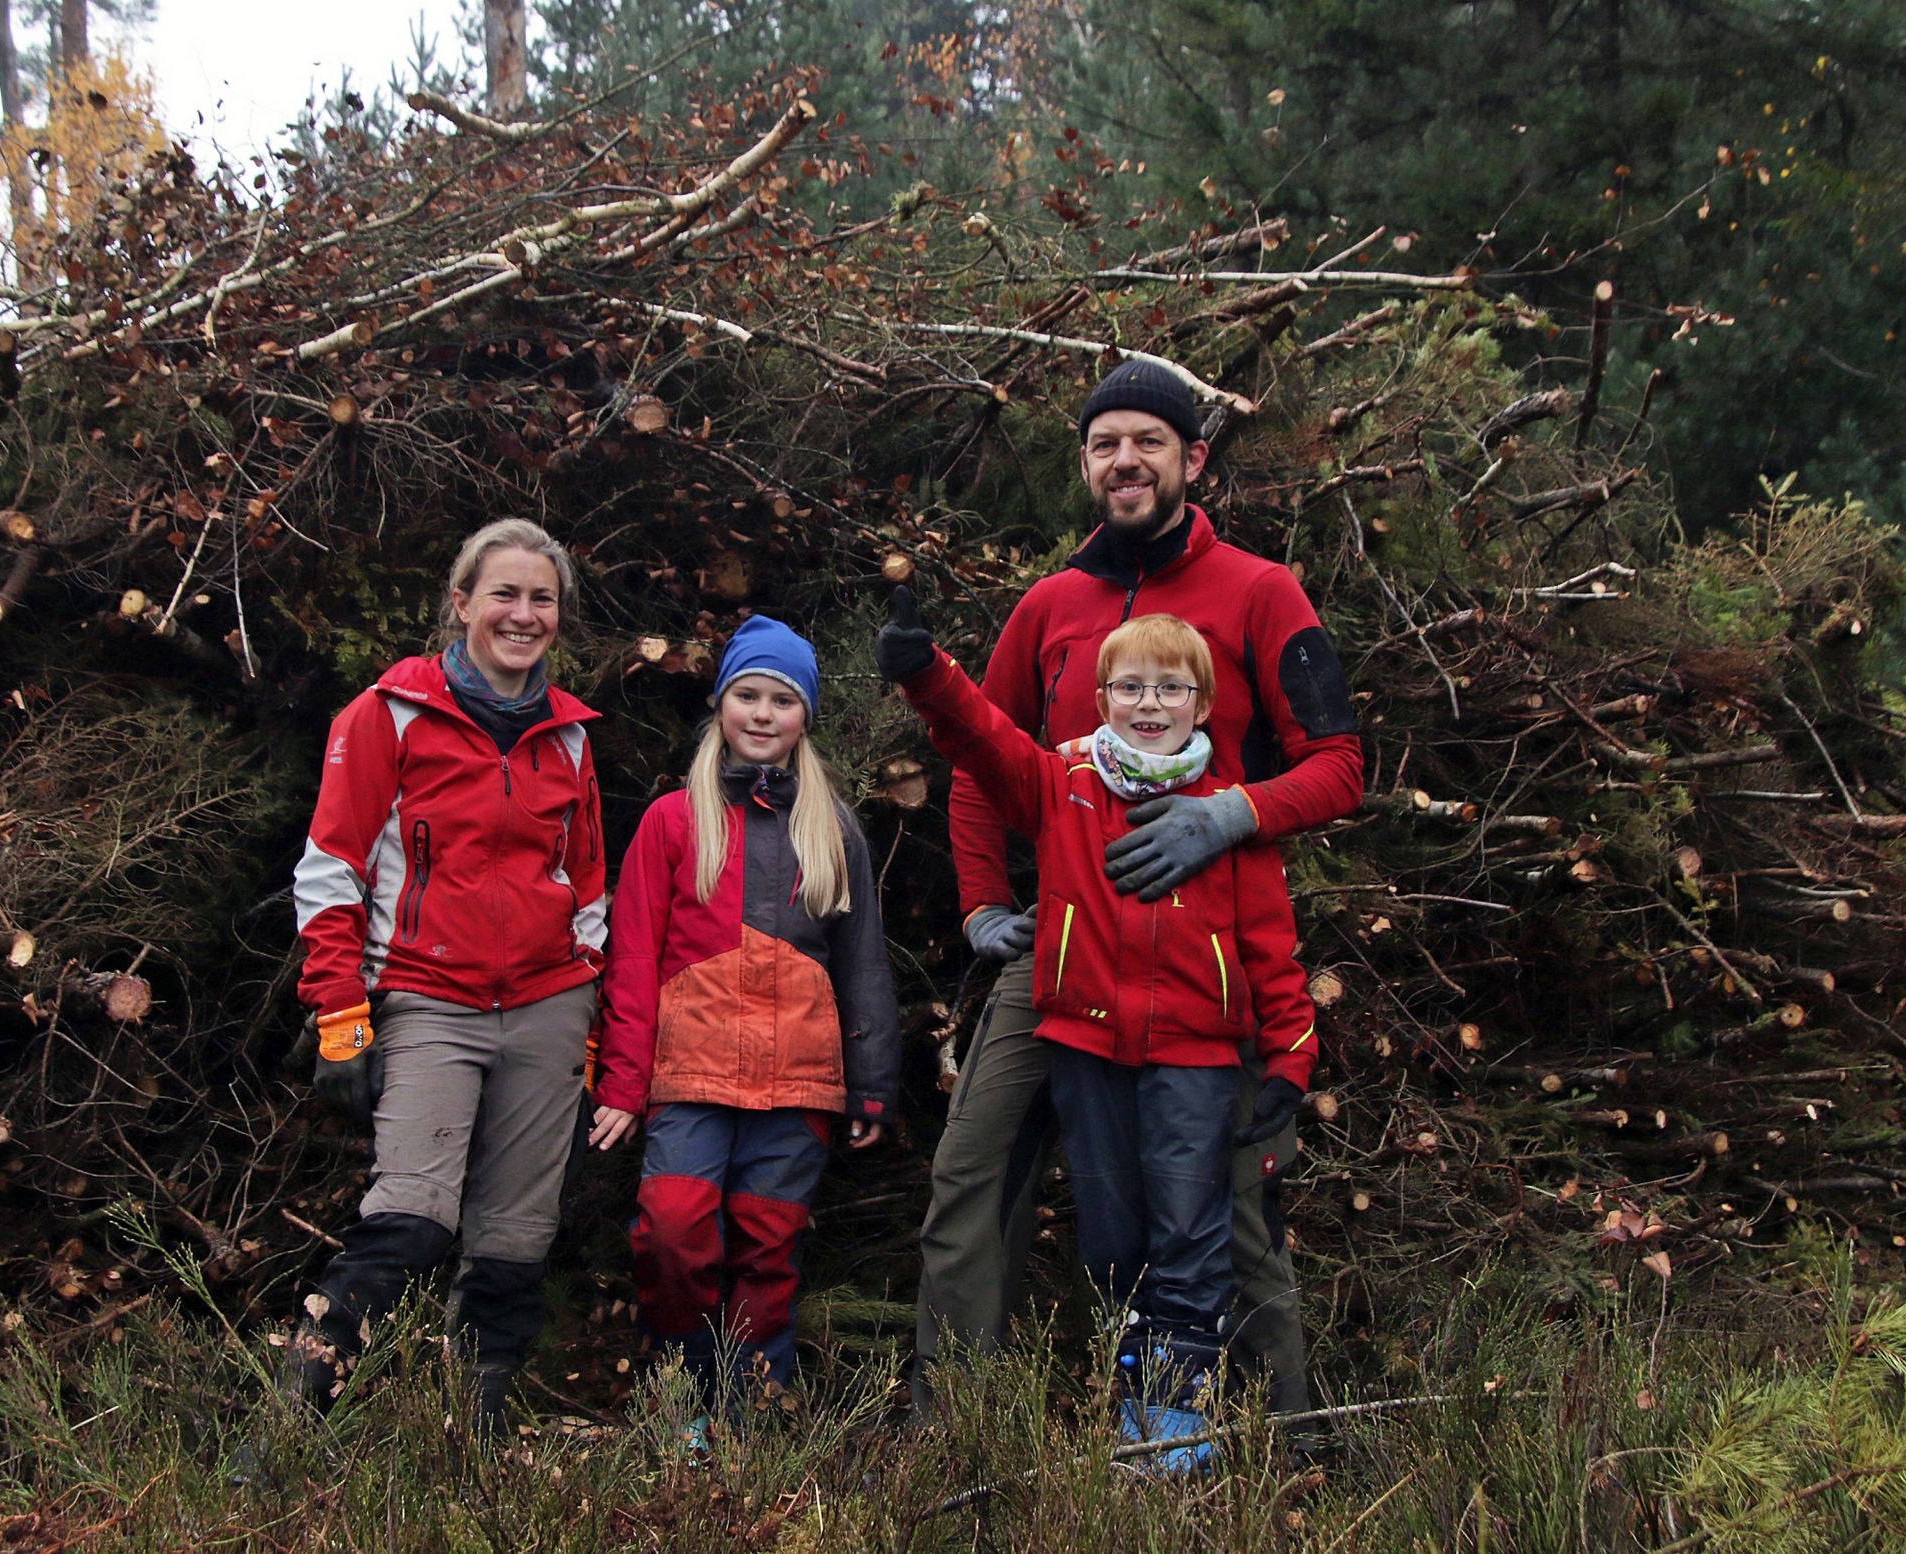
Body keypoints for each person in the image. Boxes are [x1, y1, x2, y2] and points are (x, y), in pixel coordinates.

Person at [912, 358, 1364, 1418]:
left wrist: (1228, 815)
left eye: (1149, 441)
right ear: (1086, 464)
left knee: (1224, 1203)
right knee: (970, 1181)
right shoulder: (1050, 607)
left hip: (1200, 948)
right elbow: (986, 760)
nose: (1127, 460)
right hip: (1062, 949)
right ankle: (957, 1426)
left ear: (1191, 459)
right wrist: (984, 908)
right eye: (1107, 443)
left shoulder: (1261, 591)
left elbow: (1340, 762)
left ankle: (1279, 1438)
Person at [879, 601, 1318, 1463]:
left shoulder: (1228, 813)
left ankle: (1174, 1421)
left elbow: (1273, 947)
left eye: (1170, 689)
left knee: (1191, 1230)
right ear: (1099, 696)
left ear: (1203, 704)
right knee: (1115, 1237)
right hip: (1085, 1045)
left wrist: (1291, 1060)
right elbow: (982, 739)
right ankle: (1129, 1380)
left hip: (1194, 1051)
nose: (1148, 704)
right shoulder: (1064, 782)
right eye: (1129, 687)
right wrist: (927, 675)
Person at [287, 518, 607, 1437]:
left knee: (515, 1243)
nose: (523, 613)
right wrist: (342, 1017)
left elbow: (586, 891)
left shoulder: (573, 739)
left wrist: (589, 1025)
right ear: (461, 603)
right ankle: (281, 1439)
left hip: (548, 1007)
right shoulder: (387, 714)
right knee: (412, 1223)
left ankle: (474, 1450)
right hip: (430, 998)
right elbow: (329, 873)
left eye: (541, 598)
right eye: (503, 594)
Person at [589, 616, 900, 1435]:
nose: (763, 714)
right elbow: (631, 963)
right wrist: (621, 1085)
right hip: (687, 1077)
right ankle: (679, 1393)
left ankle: (754, 1410)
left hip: (798, 1082)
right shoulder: (671, 821)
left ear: (806, 717)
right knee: (672, 1231)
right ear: (722, 704)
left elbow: (863, 963)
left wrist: (871, 1086)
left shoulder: (834, 829)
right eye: (747, 695)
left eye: (783, 700)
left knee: (767, 1247)